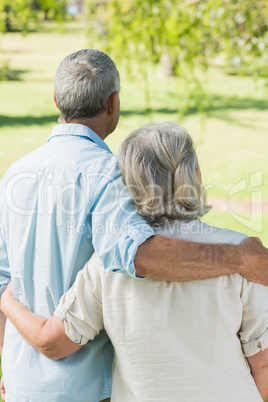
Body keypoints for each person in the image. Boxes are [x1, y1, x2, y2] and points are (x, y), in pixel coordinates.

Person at [0, 49, 267, 402]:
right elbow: (140, 255)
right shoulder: (107, 175)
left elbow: (7, 280)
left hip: (23, 380)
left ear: (56, 100)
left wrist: (8, 361)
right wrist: (242, 260)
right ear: (114, 103)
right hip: (87, 389)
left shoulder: (15, 173)